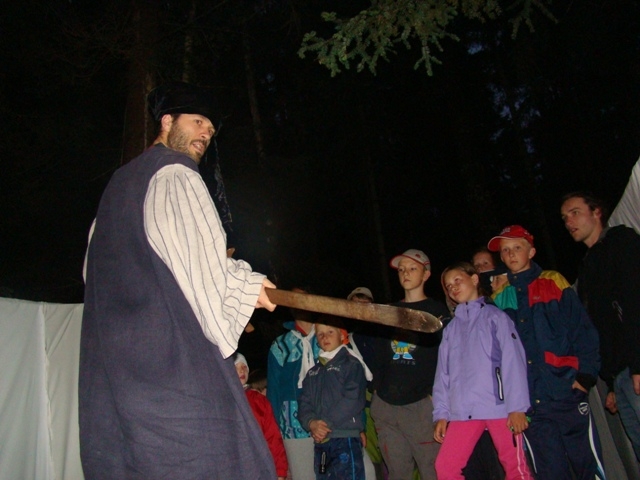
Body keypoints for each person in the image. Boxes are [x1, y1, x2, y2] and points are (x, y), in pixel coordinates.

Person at [79, 81, 278, 479]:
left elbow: (90, 271)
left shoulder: (117, 186)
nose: (206, 133)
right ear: (167, 121)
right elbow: (206, 277)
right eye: (198, 121)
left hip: (116, 378)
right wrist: (247, 284)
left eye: (211, 129)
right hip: (172, 371)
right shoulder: (175, 173)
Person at [488, 225, 605, 480]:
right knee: (550, 472)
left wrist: (584, 377)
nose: (511, 254)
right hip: (531, 405)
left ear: (531, 251)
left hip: (566, 392)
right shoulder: (500, 298)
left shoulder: (553, 281)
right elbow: (499, 357)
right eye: (505, 250)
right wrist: (512, 402)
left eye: (517, 247)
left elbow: (582, 329)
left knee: (587, 466)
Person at [433, 262, 532, 480]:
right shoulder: (450, 330)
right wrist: (441, 414)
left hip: (500, 409)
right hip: (463, 410)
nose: (453, 287)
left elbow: (514, 361)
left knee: (515, 468)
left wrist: (517, 407)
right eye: (448, 286)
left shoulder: (495, 317)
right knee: (445, 467)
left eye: (457, 280)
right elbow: (442, 375)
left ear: (475, 279)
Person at [561, 192, 640, 461]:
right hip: (620, 376)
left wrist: (638, 365)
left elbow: (635, 303)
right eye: (564, 218)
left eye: (574, 212)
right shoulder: (587, 269)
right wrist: (612, 383)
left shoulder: (622, 242)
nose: (568, 222)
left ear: (596, 212)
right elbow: (599, 330)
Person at [369, 249, 450, 480]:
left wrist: (435, 396)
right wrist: (376, 390)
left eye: (413, 268)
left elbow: (446, 356)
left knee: (433, 470)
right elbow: (379, 353)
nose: (405, 273)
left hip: (421, 405)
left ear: (426, 274)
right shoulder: (389, 311)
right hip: (386, 405)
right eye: (401, 269)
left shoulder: (437, 313)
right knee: (397, 472)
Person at [298, 317, 370, 479]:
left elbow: (353, 399)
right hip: (321, 442)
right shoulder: (312, 373)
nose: (325, 337)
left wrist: (325, 424)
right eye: (320, 334)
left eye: (330, 332)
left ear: (342, 335)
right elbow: (304, 403)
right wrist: (311, 423)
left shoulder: (351, 364)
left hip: (345, 438)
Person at [267, 288, 321, 480]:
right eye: (293, 300)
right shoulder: (280, 345)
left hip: (329, 421)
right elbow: (273, 391)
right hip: (293, 424)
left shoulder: (328, 336)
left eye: (303, 298)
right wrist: (275, 432)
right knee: (304, 476)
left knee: (332, 472)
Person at [235, 353, 289, 480]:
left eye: (244, 367)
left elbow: (273, 436)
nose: (242, 370)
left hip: (259, 466)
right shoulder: (220, 402)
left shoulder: (259, 400)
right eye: (236, 367)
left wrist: (280, 471)